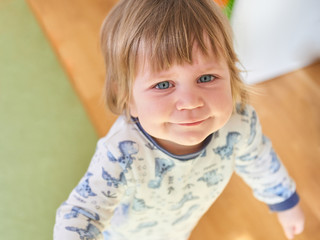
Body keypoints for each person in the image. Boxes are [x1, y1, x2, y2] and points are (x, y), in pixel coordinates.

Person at [54, 0, 305, 239]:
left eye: (206, 78)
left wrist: (284, 202)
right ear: (128, 97)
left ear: (231, 73)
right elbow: (83, 214)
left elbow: (259, 161)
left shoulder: (239, 124)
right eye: (163, 84)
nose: (190, 102)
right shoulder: (122, 152)